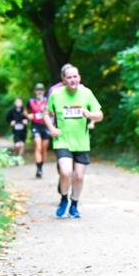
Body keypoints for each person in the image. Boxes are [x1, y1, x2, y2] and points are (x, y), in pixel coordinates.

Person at [45, 64, 103, 219]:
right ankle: (64, 199)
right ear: (64, 80)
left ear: (79, 77)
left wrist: (90, 114)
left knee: (79, 176)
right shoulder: (56, 94)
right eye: (69, 77)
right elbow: (46, 114)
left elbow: (100, 115)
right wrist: (51, 128)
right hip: (62, 140)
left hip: (81, 142)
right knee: (65, 172)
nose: (72, 80)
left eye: (75, 76)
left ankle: (74, 205)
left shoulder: (87, 93)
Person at [27, 83, 50, 178]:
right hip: (35, 125)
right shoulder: (31, 102)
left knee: (44, 148)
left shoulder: (47, 101)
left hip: (46, 126)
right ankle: (38, 169)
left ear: (43, 91)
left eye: (41, 89)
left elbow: (53, 112)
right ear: (35, 91)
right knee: (38, 145)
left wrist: (48, 113)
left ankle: (41, 166)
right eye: (37, 90)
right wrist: (28, 116)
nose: (39, 91)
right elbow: (26, 111)